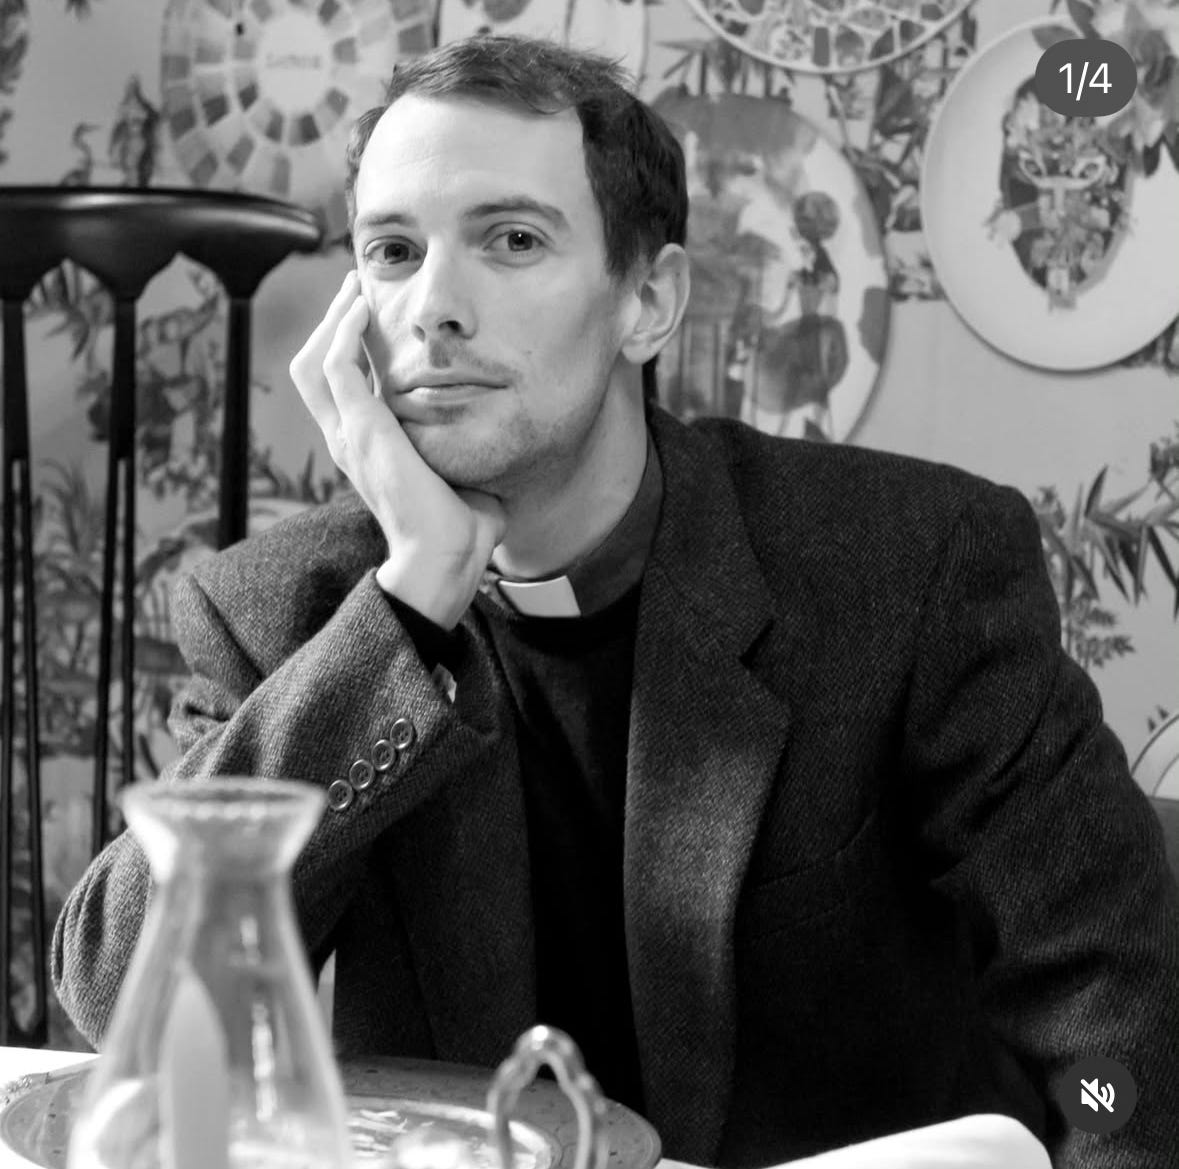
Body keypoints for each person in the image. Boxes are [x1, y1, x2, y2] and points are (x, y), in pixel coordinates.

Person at [53, 34, 1179, 1169]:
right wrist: (411, 600)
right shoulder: (281, 609)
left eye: (512, 239)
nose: (433, 306)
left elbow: (1115, 1004)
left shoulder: (913, 564)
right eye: (392, 251)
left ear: (648, 301)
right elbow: (120, 1000)